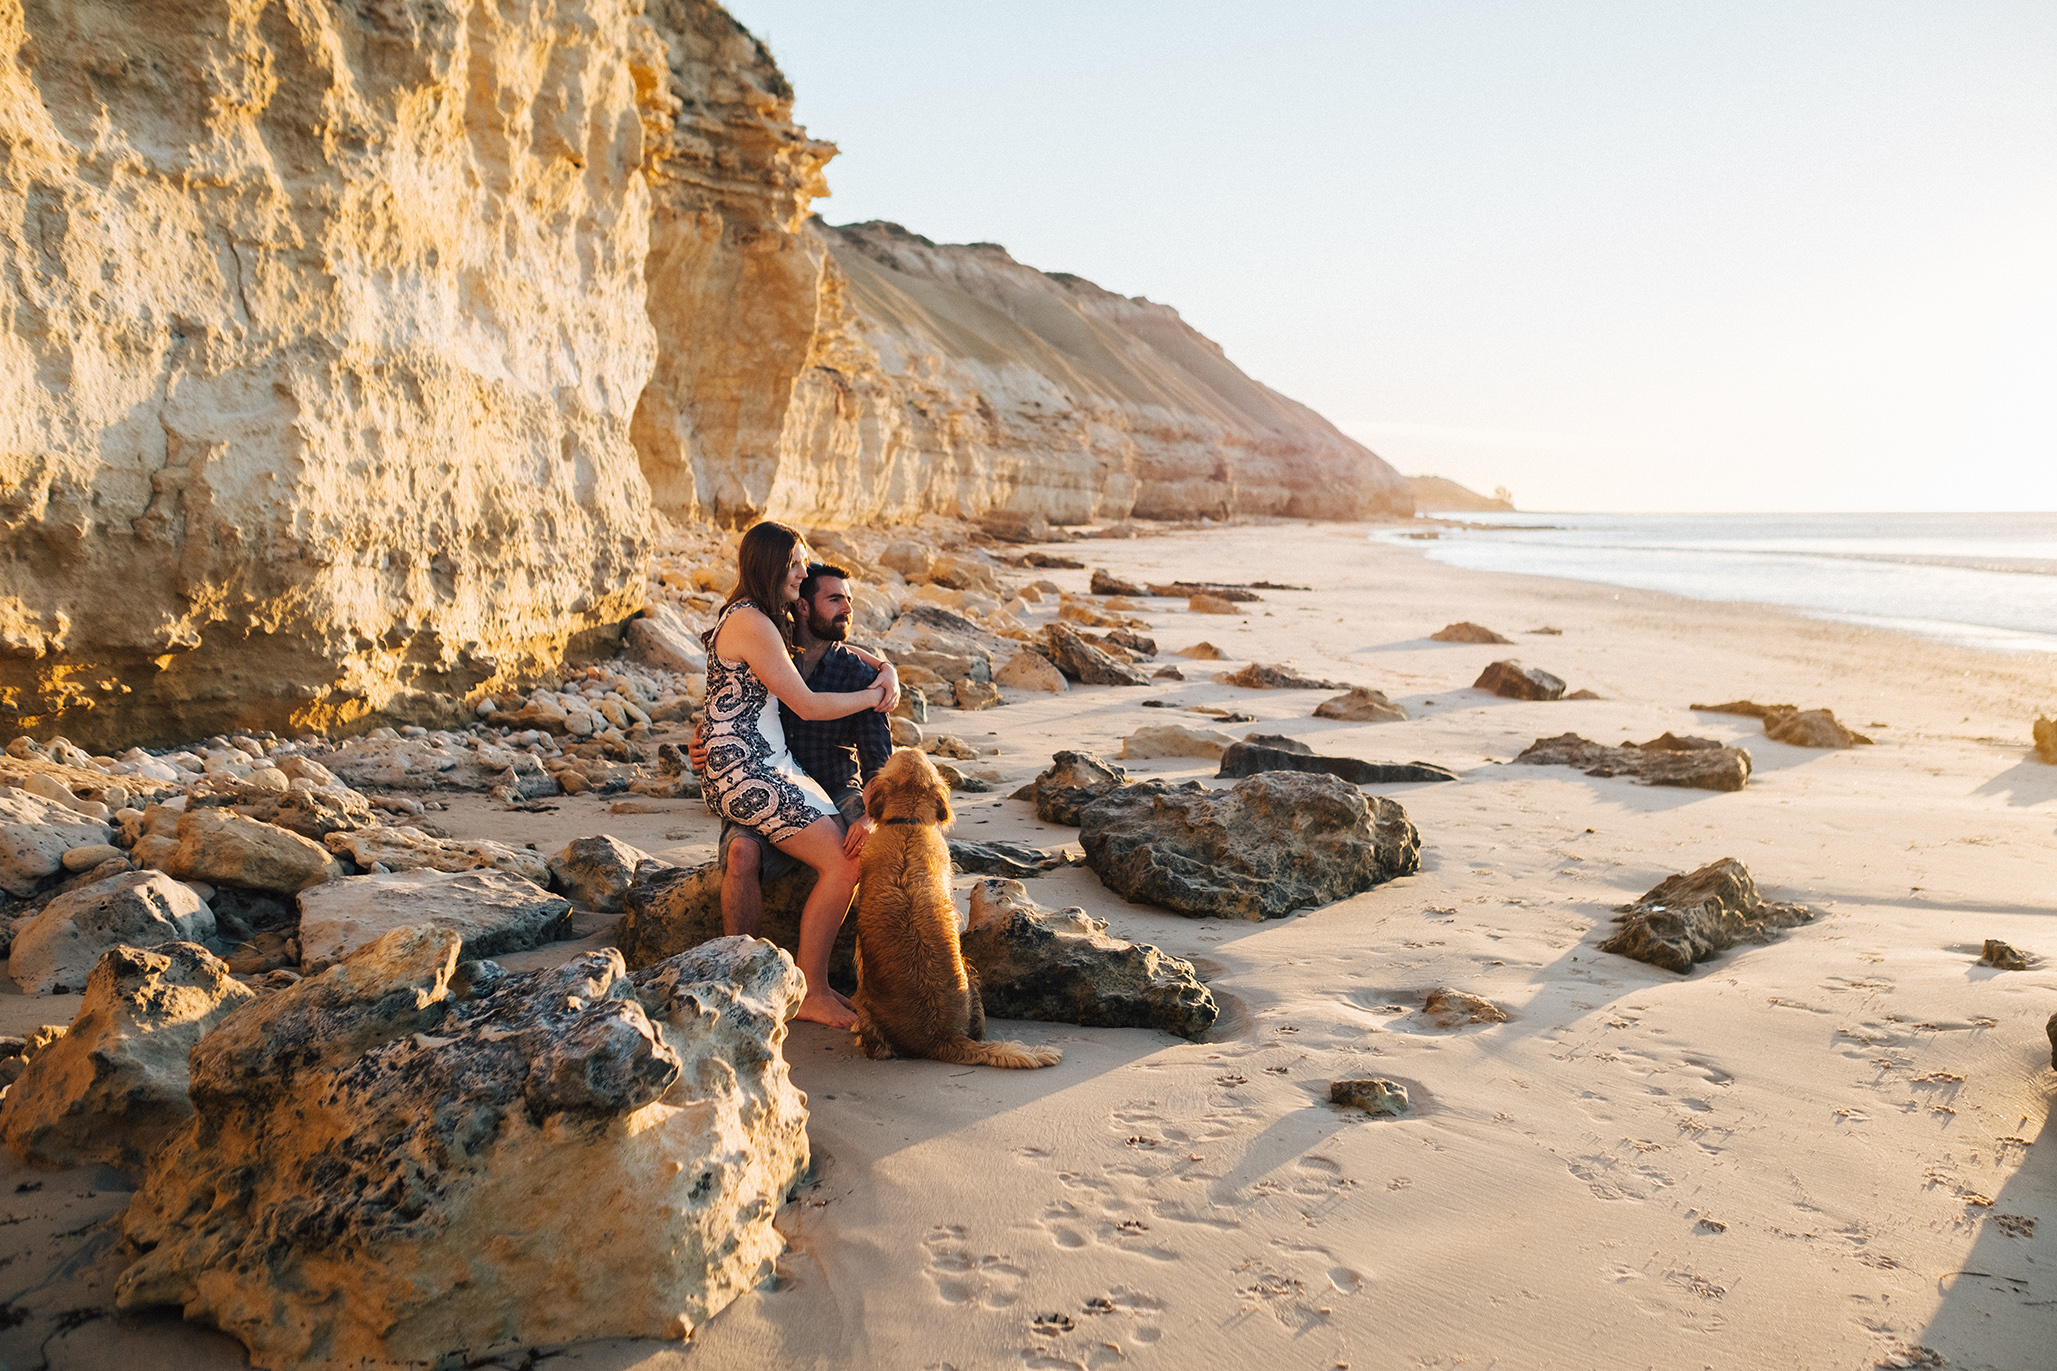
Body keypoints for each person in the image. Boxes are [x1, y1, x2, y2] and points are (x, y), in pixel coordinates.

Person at [698, 522, 898, 1029]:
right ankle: (810, 989)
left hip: (752, 762)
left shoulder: (760, 621)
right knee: (842, 864)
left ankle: (768, 981)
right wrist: (876, 695)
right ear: (772, 567)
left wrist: (885, 668)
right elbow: (806, 706)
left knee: (849, 851)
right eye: (795, 564)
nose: (801, 571)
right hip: (749, 766)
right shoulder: (755, 623)